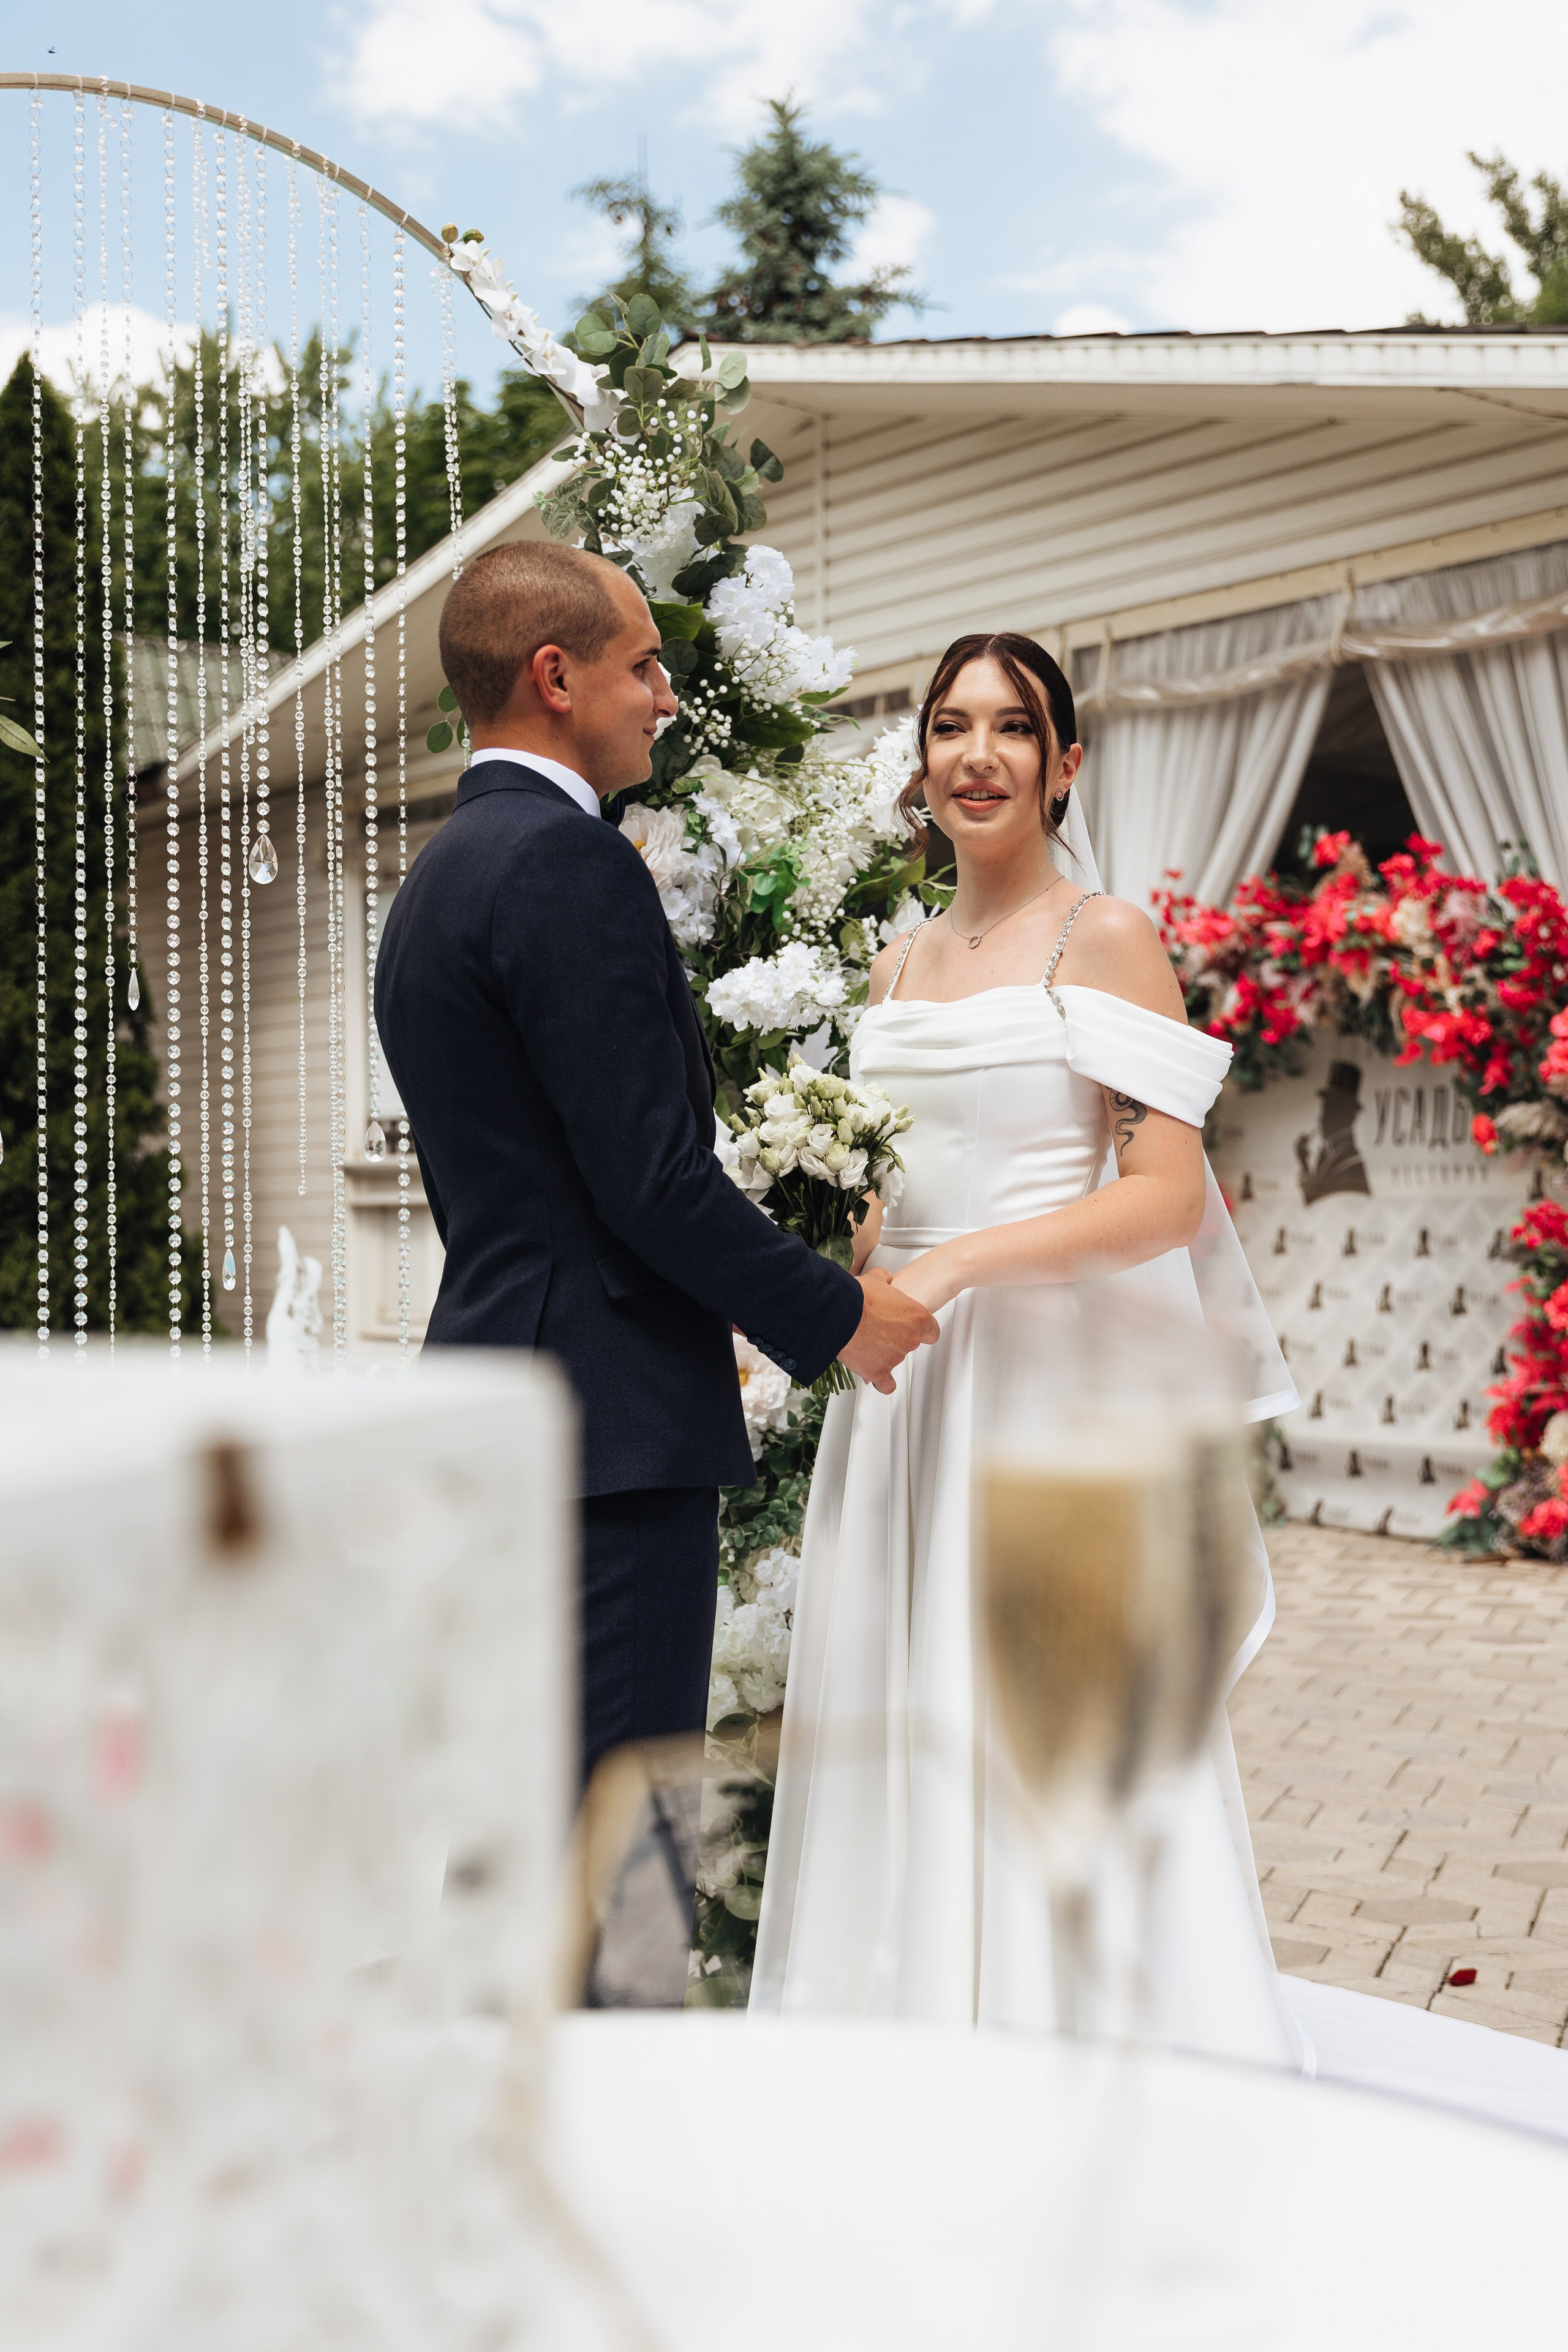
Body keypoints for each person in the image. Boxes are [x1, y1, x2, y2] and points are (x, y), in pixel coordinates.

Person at [750, 630, 1304, 2066]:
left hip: (1047, 1396)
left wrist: (957, 1270)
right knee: (909, 1713)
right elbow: (877, 1197)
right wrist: (816, 1300)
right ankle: (924, 2030)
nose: (974, 754)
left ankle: (1089, 2052)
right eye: (948, 726)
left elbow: (1165, 1195)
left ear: (1064, 765)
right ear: (919, 762)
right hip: (906, 1390)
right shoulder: (889, 967)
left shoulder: (1102, 934)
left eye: (1010, 729)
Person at [374, 541, 938, 1786]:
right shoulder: (565, 862)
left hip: (493, 1411)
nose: (667, 695)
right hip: (605, 1441)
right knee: (616, 1860)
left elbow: (536, 1183)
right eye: (642, 664)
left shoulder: (431, 887)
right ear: (553, 675)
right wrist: (837, 1312)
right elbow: (649, 1182)